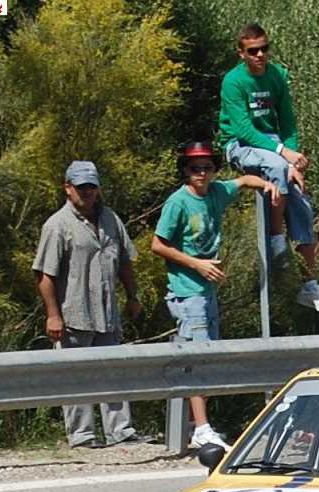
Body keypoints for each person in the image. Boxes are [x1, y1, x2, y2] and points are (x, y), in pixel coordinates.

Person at [152, 141, 281, 450]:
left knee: (207, 359)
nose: (201, 173)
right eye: (195, 168)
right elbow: (157, 245)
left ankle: (196, 424)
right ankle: (202, 428)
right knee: (197, 360)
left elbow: (243, 181)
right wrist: (197, 264)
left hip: (208, 292)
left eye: (207, 167)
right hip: (188, 291)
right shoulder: (178, 202)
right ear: (185, 170)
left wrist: (267, 184)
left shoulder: (217, 192)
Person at [217, 22, 319, 314]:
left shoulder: (277, 76)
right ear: (241, 53)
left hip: (272, 146)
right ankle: (275, 241)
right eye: (253, 50)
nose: (260, 55)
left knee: (301, 200)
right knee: (276, 165)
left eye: (264, 49)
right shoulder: (233, 82)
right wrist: (284, 155)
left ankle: (311, 283)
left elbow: (288, 122)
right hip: (241, 144)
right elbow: (243, 129)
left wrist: (293, 157)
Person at [33, 161, 150, 449]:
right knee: (76, 378)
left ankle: (121, 431)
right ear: (68, 187)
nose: (87, 192)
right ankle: (82, 436)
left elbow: (124, 261)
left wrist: (133, 296)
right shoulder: (57, 225)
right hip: (74, 314)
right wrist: (53, 315)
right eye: (81, 186)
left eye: (91, 186)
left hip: (107, 313)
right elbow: (44, 275)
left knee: (114, 373)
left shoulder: (111, 219)